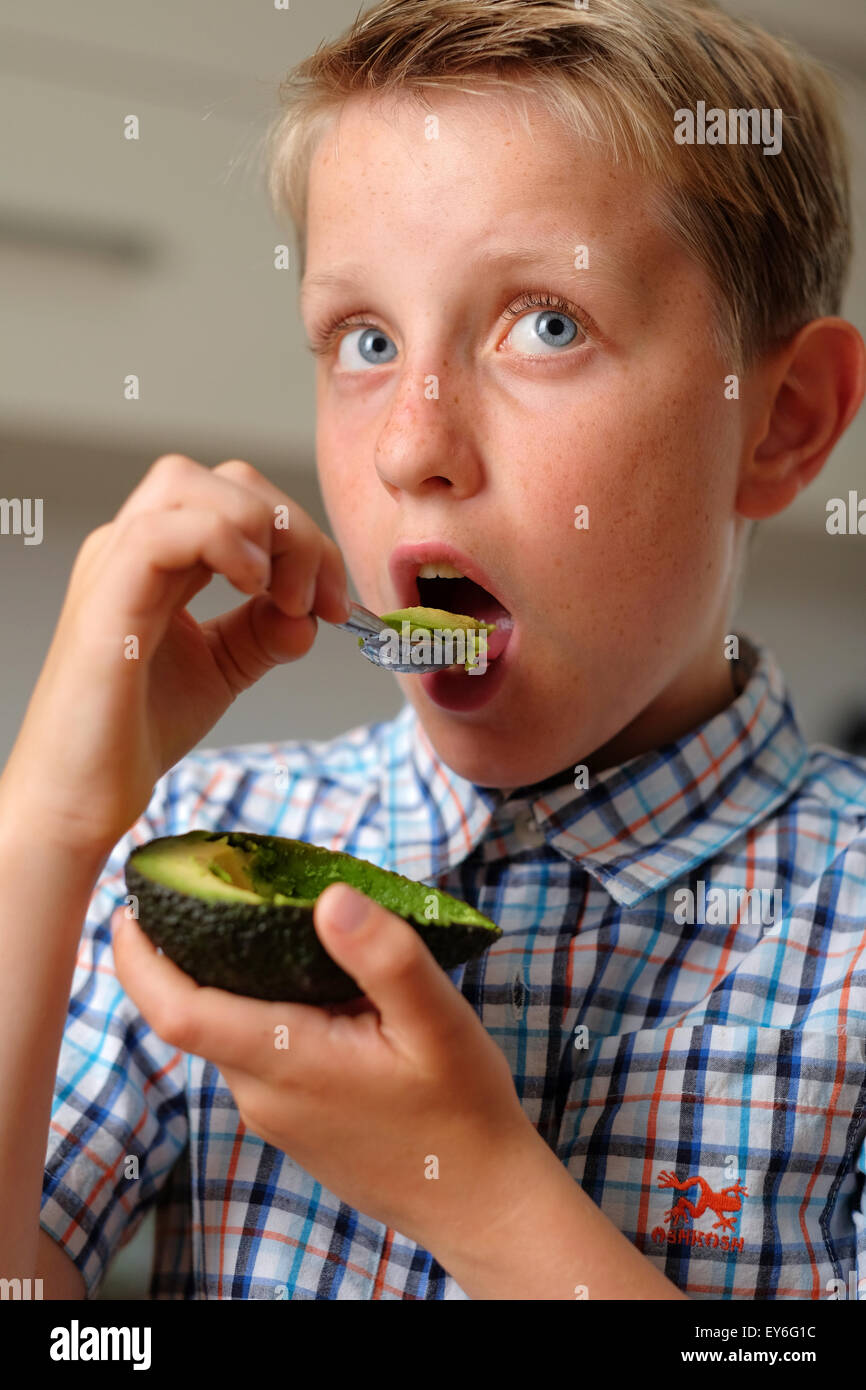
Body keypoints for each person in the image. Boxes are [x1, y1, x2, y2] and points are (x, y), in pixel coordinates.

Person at [2, 0, 864, 1301]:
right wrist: (46, 831)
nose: (410, 445)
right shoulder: (211, 834)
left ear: (781, 422)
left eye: (546, 324)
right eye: (365, 341)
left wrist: (479, 1192)